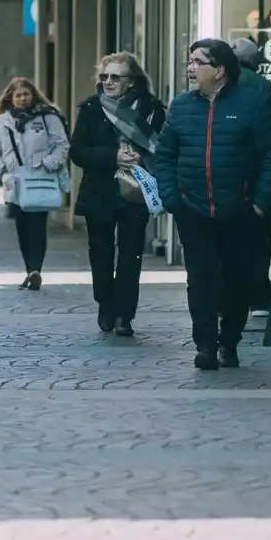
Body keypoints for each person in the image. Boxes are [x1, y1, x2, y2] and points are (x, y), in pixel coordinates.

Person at [155, 39, 271, 370]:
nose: (190, 68)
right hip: (193, 209)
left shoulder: (252, 103)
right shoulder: (182, 106)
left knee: (236, 278)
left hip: (240, 211)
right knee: (200, 278)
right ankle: (205, 345)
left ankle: (229, 340)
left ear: (219, 71)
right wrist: (173, 198)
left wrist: (260, 203)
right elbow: (165, 155)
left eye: (198, 62)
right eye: (190, 61)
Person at [69, 52, 166, 336]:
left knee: (130, 255)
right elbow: (77, 151)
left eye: (115, 77)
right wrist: (113, 156)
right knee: (100, 254)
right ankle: (105, 305)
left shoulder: (151, 109)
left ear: (131, 81)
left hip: (135, 192)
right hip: (99, 191)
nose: (108, 82)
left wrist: (141, 157)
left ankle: (125, 314)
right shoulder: (91, 109)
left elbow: (164, 148)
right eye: (104, 77)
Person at [0, 76, 69, 290]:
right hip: (15, 182)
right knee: (22, 228)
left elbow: (62, 145)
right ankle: (29, 270)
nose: (22, 98)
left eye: (26, 94)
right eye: (18, 95)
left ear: (33, 95)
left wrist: (48, 163)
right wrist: (3, 173)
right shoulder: (2, 121)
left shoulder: (48, 118)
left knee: (37, 226)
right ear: (11, 98)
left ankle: (36, 270)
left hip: (41, 178)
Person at [233, 37, 271, 317]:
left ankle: (230, 297)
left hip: (230, 179)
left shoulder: (222, 87)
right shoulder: (264, 89)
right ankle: (258, 296)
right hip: (256, 179)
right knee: (259, 241)